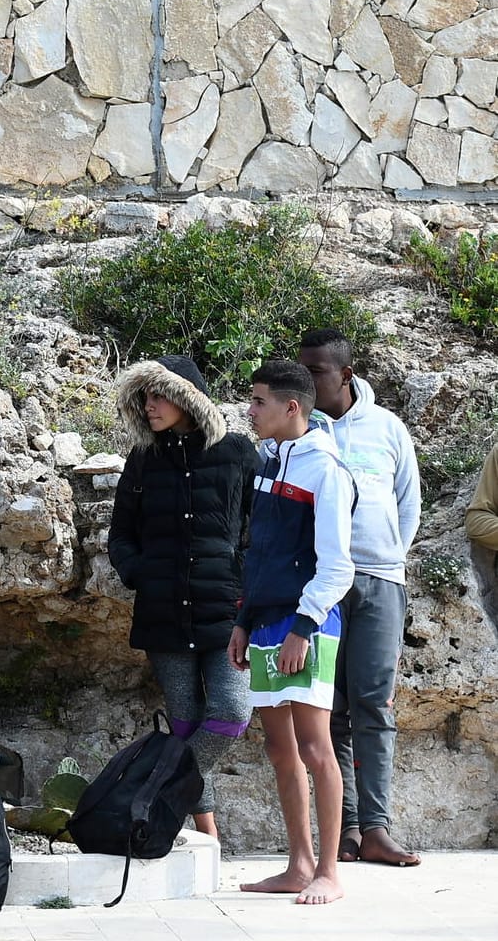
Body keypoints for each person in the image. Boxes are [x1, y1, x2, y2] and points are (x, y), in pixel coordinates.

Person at [108, 356, 256, 839]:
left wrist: (247, 585)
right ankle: (205, 835)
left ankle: (163, 784)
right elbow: (122, 535)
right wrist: (141, 574)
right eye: (143, 397)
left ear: (186, 397)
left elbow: (261, 526)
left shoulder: (237, 452)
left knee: (232, 711)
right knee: (186, 720)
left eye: (158, 395)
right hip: (164, 609)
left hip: (226, 610)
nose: (148, 406)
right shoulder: (143, 459)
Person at [296, 329, 422, 867]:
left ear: (345, 375)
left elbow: (408, 504)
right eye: (302, 372)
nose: (307, 382)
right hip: (322, 586)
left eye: (317, 372)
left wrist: (386, 557)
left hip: (380, 583)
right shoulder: (299, 434)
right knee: (331, 709)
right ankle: (345, 829)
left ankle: (377, 826)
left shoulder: (388, 428)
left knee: (375, 704)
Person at [230, 360, 354, 905]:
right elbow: (256, 553)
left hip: (309, 621)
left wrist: (303, 628)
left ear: (291, 407)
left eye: (258, 402)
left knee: (314, 746)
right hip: (263, 620)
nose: (250, 411)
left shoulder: (326, 469)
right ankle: (298, 864)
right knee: (280, 749)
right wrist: (242, 620)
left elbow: (338, 566)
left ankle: (329, 872)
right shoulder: (268, 461)